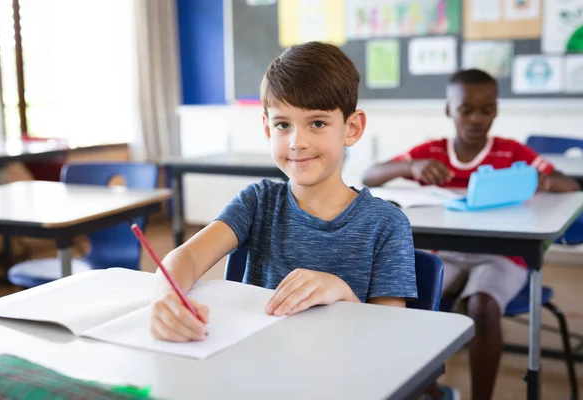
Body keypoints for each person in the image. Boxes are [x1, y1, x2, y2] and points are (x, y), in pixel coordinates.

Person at [150, 41, 417, 345]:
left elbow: (390, 337)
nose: (297, 141)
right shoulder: (257, 202)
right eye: (283, 125)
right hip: (261, 365)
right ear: (267, 129)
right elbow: (183, 258)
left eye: (317, 123)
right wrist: (166, 299)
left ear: (352, 128)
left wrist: (341, 292)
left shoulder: (386, 224)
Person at [362, 69, 580, 400]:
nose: (476, 119)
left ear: (496, 110)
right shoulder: (432, 152)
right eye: (466, 110)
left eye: (486, 110)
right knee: (406, 304)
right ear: (450, 110)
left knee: (482, 307)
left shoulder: (511, 153)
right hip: (446, 253)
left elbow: (570, 184)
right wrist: (411, 167)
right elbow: (371, 174)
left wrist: (541, 181)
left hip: (501, 255)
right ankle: (430, 390)